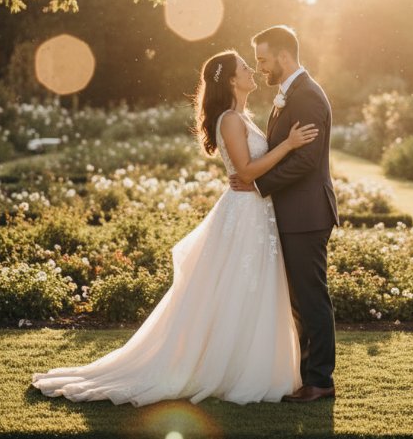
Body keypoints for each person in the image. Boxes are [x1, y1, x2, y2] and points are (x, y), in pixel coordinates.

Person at [30, 49, 319, 407]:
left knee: (247, 291)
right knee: (239, 290)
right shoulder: (230, 119)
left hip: (255, 213)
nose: (252, 71)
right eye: (245, 67)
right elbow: (244, 172)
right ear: (230, 79)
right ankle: (231, 370)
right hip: (245, 214)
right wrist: (290, 145)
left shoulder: (242, 116)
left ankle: (247, 365)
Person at [230, 25, 340, 403]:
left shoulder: (307, 95)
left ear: (283, 56)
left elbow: (306, 161)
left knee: (311, 298)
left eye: (262, 59)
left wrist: (260, 185)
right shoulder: (289, 93)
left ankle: (321, 380)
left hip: (307, 214)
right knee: (300, 300)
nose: (259, 67)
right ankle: (308, 376)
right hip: (295, 213)